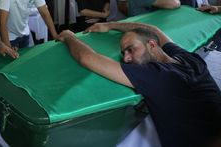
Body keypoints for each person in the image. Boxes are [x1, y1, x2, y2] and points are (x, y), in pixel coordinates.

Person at [57, 22, 221, 147]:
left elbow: (87, 59)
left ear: (151, 45)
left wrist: (69, 36)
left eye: (130, 49)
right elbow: (154, 30)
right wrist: (109, 25)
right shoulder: (190, 59)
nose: (126, 58)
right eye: (123, 53)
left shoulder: (157, 75)